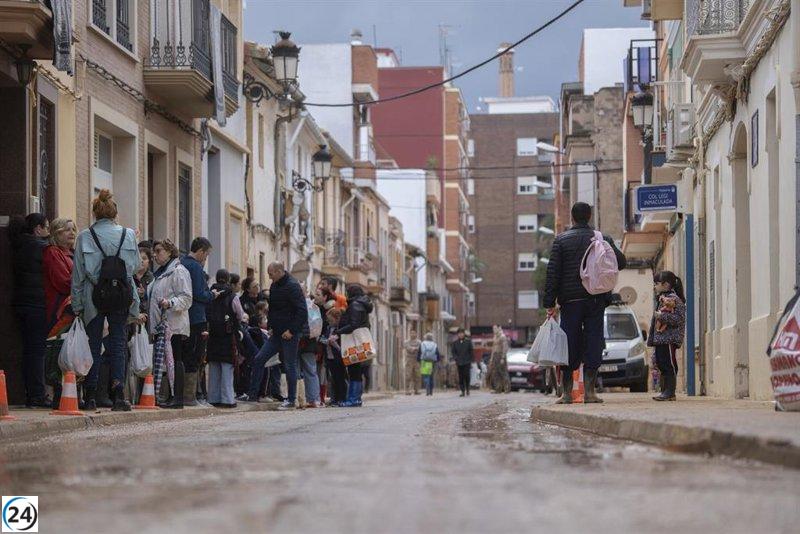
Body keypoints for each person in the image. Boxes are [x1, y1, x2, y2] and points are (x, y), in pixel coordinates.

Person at [543, 201, 627, 404]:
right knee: (593, 341)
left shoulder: (561, 240)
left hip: (570, 301)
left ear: (572, 217)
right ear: (589, 217)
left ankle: (566, 394)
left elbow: (553, 273)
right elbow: (621, 262)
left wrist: (549, 302)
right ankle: (590, 392)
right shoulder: (601, 238)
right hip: (595, 299)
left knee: (569, 343)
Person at [72, 190, 143, 411]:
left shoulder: (85, 236)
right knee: (118, 344)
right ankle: (119, 394)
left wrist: (77, 305)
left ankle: (91, 395)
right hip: (121, 295)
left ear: (95, 213)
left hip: (94, 295)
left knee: (93, 345)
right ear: (115, 213)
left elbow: (78, 275)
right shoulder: (128, 235)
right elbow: (134, 267)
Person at [239, 262, 307, 410]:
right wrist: (270, 326)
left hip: (289, 334)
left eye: (270, 274)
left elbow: (302, 312)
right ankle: (253, 394)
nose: (269, 277)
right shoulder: (275, 286)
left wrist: (292, 330)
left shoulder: (293, 286)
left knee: (289, 365)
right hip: (276, 334)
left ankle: (291, 400)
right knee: (259, 359)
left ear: (279, 271)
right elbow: (274, 309)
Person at [9, 213, 51, 408]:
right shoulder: (40, 248)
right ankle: (37, 394)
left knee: (28, 350)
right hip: (36, 304)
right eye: (47, 228)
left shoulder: (18, 245)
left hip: (21, 303)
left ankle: (30, 391)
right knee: (37, 350)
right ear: (38, 229)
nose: (48, 232)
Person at [148, 239, 193, 409]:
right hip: (162, 325)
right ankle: (170, 395)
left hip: (174, 325)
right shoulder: (160, 273)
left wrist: (170, 303)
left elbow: (187, 298)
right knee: (168, 361)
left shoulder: (179, 271)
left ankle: (178, 398)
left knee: (176, 358)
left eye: (158, 251)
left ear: (169, 252)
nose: (155, 255)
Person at [42, 218, 77, 408]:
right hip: (58, 309)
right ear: (56, 233)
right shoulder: (53, 253)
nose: (71, 233)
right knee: (55, 349)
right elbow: (63, 282)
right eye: (66, 230)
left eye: (73, 230)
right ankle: (54, 392)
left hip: (71, 309)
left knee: (67, 350)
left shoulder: (71, 254)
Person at [180, 237, 214, 407]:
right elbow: (200, 293)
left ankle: (189, 395)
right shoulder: (195, 267)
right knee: (195, 356)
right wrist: (213, 295)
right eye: (206, 255)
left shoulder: (180, 263)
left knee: (185, 355)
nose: (205, 259)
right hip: (196, 317)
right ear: (200, 251)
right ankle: (190, 397)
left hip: (184, 318)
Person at [206, 269, 247, 408]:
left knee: (214, 367)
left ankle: (213, 398)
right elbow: (240, 315)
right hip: (228, 336)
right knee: (227, 368)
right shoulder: (232, 296)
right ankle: (227, 399)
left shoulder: (210, 294)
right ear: (228, 279)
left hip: (212, 335)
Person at [648, 271, 686, 402]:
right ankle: (665, 391)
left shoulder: (674, 300)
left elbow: (678, 319)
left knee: (668, 364)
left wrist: (660, 316)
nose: (655, 287)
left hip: (668, 339)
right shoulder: (662, 298)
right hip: (660, 339)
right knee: (661, 364)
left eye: (657, 284)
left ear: (666, 285)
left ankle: (670, 391)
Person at [335, 284, 373, 407]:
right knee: (355, 371)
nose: (346, 294)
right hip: (358, 342)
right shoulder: (361, 304)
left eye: (347, 292)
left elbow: (353, 324)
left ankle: (353, 399)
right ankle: (354, 398)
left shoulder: (355, 305)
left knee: (354, 371)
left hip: (354, 343)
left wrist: (338, 332)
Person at [321, 307, 348, 405]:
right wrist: (324, 340)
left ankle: (342, 398)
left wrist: (334, 343)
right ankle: (335, 399)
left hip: (338, 357)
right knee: (333, 379)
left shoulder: (340, 330)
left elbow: (342, 347)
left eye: (331, 320)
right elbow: (324, 337)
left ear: (337, 319)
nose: (329, 322)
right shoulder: (328, 328)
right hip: (329, 357)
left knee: (340, 378)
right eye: (328, 320)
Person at [486, 325, 511, 394]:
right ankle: (498, 388)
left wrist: (503, 357)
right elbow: (493, 349)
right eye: (493, 329)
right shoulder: (495, 337)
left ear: (499, 328)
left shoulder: (502, 337)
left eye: (495, 328)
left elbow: (505, 347)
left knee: (503, 372)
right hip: (495, 356)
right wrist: (491, 358)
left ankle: (507, 388)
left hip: (500, 355)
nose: (494, 330)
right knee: (495, 373)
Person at [451, 328, 474, 397]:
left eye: (462, 333)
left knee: (467, 376)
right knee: (461, 377)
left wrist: (470, 360)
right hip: (459, 362)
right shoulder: (455, 343)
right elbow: (453, 352)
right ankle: (462, 390)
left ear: (464, 334)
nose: (460, 335)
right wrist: (456, 358)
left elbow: (471, 351)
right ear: (457, 334)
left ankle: (467, 389)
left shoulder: (468, 342)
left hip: (467, 362)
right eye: (459, 333)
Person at [403, 330, 422, 395]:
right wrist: (414, 349)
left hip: (417, 360)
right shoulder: (406, 342)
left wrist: (414, 349)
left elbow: (420, 348)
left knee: (417, 375)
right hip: (409, 360)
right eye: (411, 333)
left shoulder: (419, 342)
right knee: (408, 375)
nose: (412, 334)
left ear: (416, 334)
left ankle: (417, 390)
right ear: (409, 334)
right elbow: (408, 348)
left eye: (414, 333)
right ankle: (407, 390)